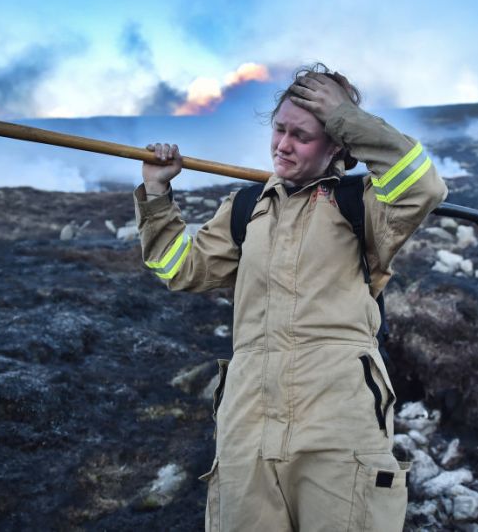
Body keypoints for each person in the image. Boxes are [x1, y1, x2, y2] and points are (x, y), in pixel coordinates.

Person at [134, 64, 447, 531]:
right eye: (279, 129)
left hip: (338, 419)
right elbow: (180, 269)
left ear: (337, 142)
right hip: (247, 420)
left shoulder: (365, 205)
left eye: (302, 135)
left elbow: (422, 186)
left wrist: (345, 115)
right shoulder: (245, 208)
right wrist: (158, 194)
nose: (283, 145)